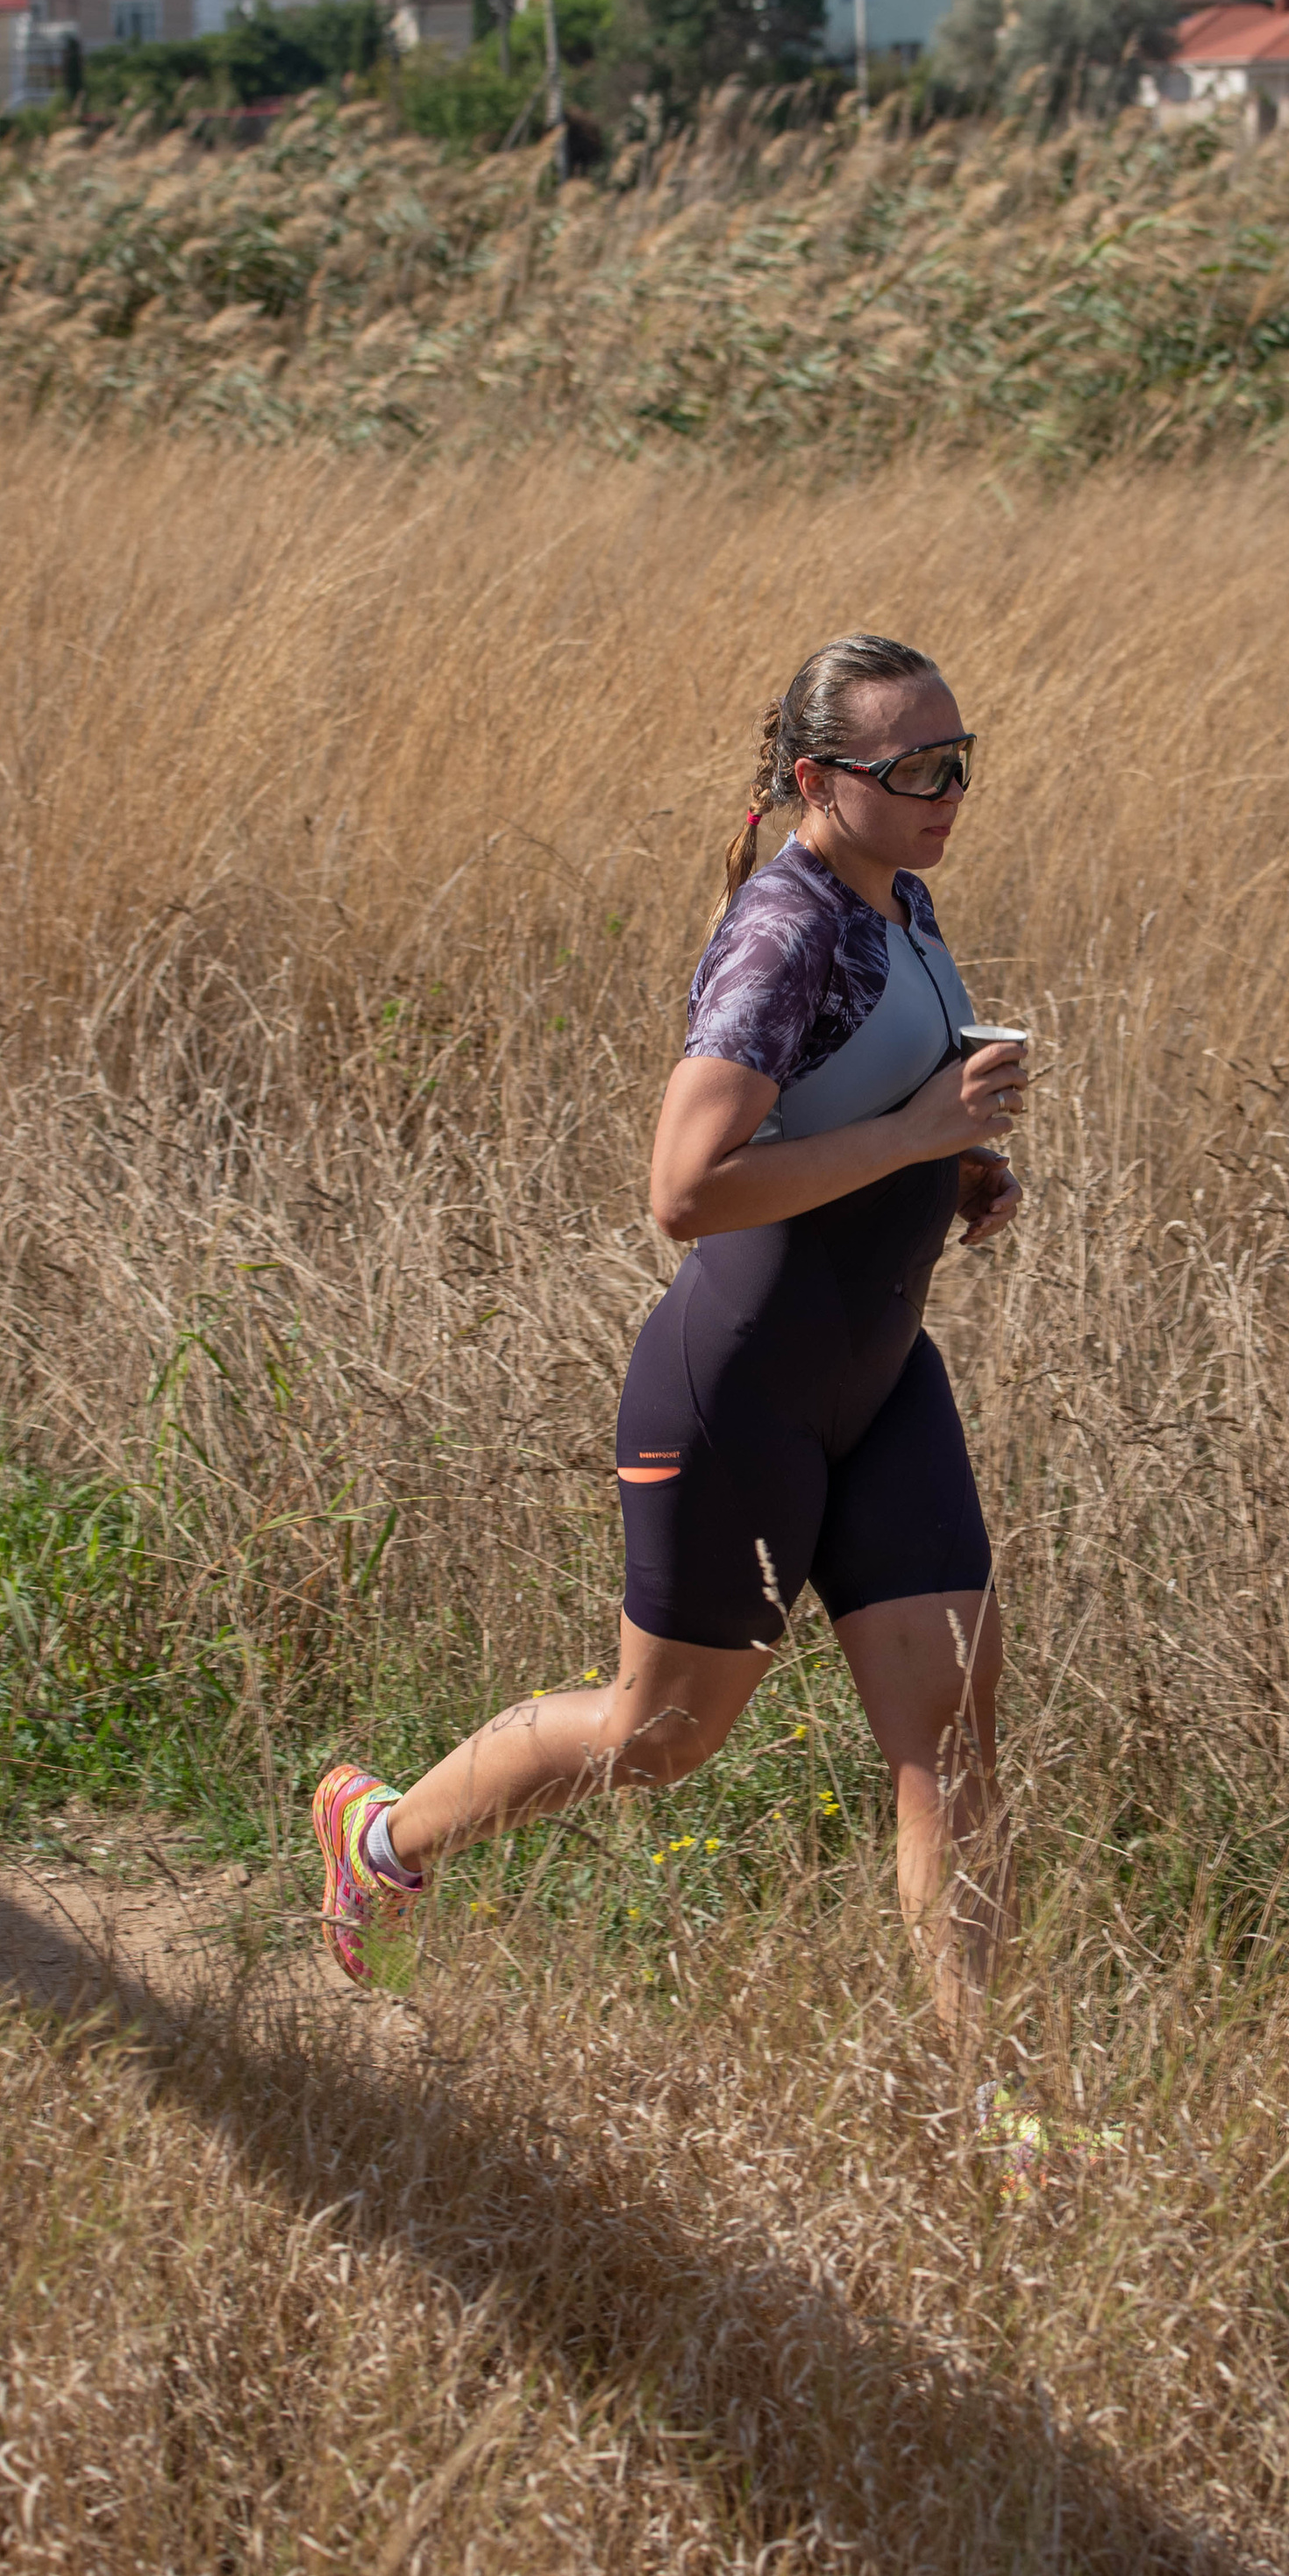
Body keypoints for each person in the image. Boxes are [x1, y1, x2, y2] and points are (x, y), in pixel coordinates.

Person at [311, 633, 1027, 2056]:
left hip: (884, 1383)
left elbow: (844, 1119)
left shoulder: (903, 899)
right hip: (743, 1391)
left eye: (963, 759)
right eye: (917, 766)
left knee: (949, 1739)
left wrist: (952, 1174)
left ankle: (998, 2103)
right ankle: (380, 1838)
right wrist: (920, 1134)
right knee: (661, 1738)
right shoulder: (787, 930)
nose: (951, 788)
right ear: (821, 779)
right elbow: (685, 1191)